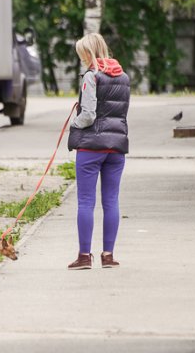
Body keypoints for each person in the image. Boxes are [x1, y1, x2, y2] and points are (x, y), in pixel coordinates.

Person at [67, 33, 130, 270]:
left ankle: (84, 256)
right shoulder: (123, 77)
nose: (82, 59)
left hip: (91, 147)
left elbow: (89, 115)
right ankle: (108, 256)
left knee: (85, 201)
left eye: (83, 54)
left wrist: (74, 123)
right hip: (116, 147)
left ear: (89, 53)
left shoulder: (91, 77)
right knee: (111, 200)